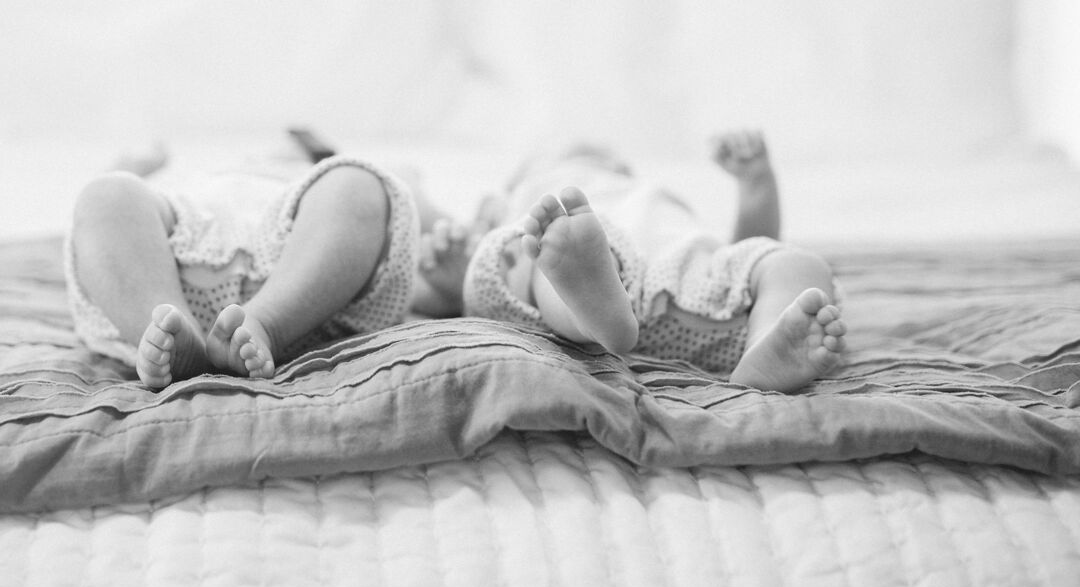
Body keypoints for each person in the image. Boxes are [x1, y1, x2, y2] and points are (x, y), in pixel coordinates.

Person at [433, 131, 847, 393]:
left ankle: (766, 347)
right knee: (531, 253)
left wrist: (756, 184)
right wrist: (451, 268)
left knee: (795, 265)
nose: (585, 157)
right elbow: (461, 273)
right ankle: (596, 308)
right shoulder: (520, 204)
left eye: (598, 158)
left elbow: (751, 248)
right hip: (592, 274)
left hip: (696, 283)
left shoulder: (652, 194)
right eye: (566, 157)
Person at [66, 144, 421, 390]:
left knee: (357, 181)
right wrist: (136, 165)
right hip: (174, 250)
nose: (267, 151)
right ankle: (169, 330)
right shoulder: (179, 177)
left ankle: (266, 322)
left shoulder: (313, 176)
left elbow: (399, 224)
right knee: (105, 195)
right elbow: (102, 223)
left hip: (301, 264)